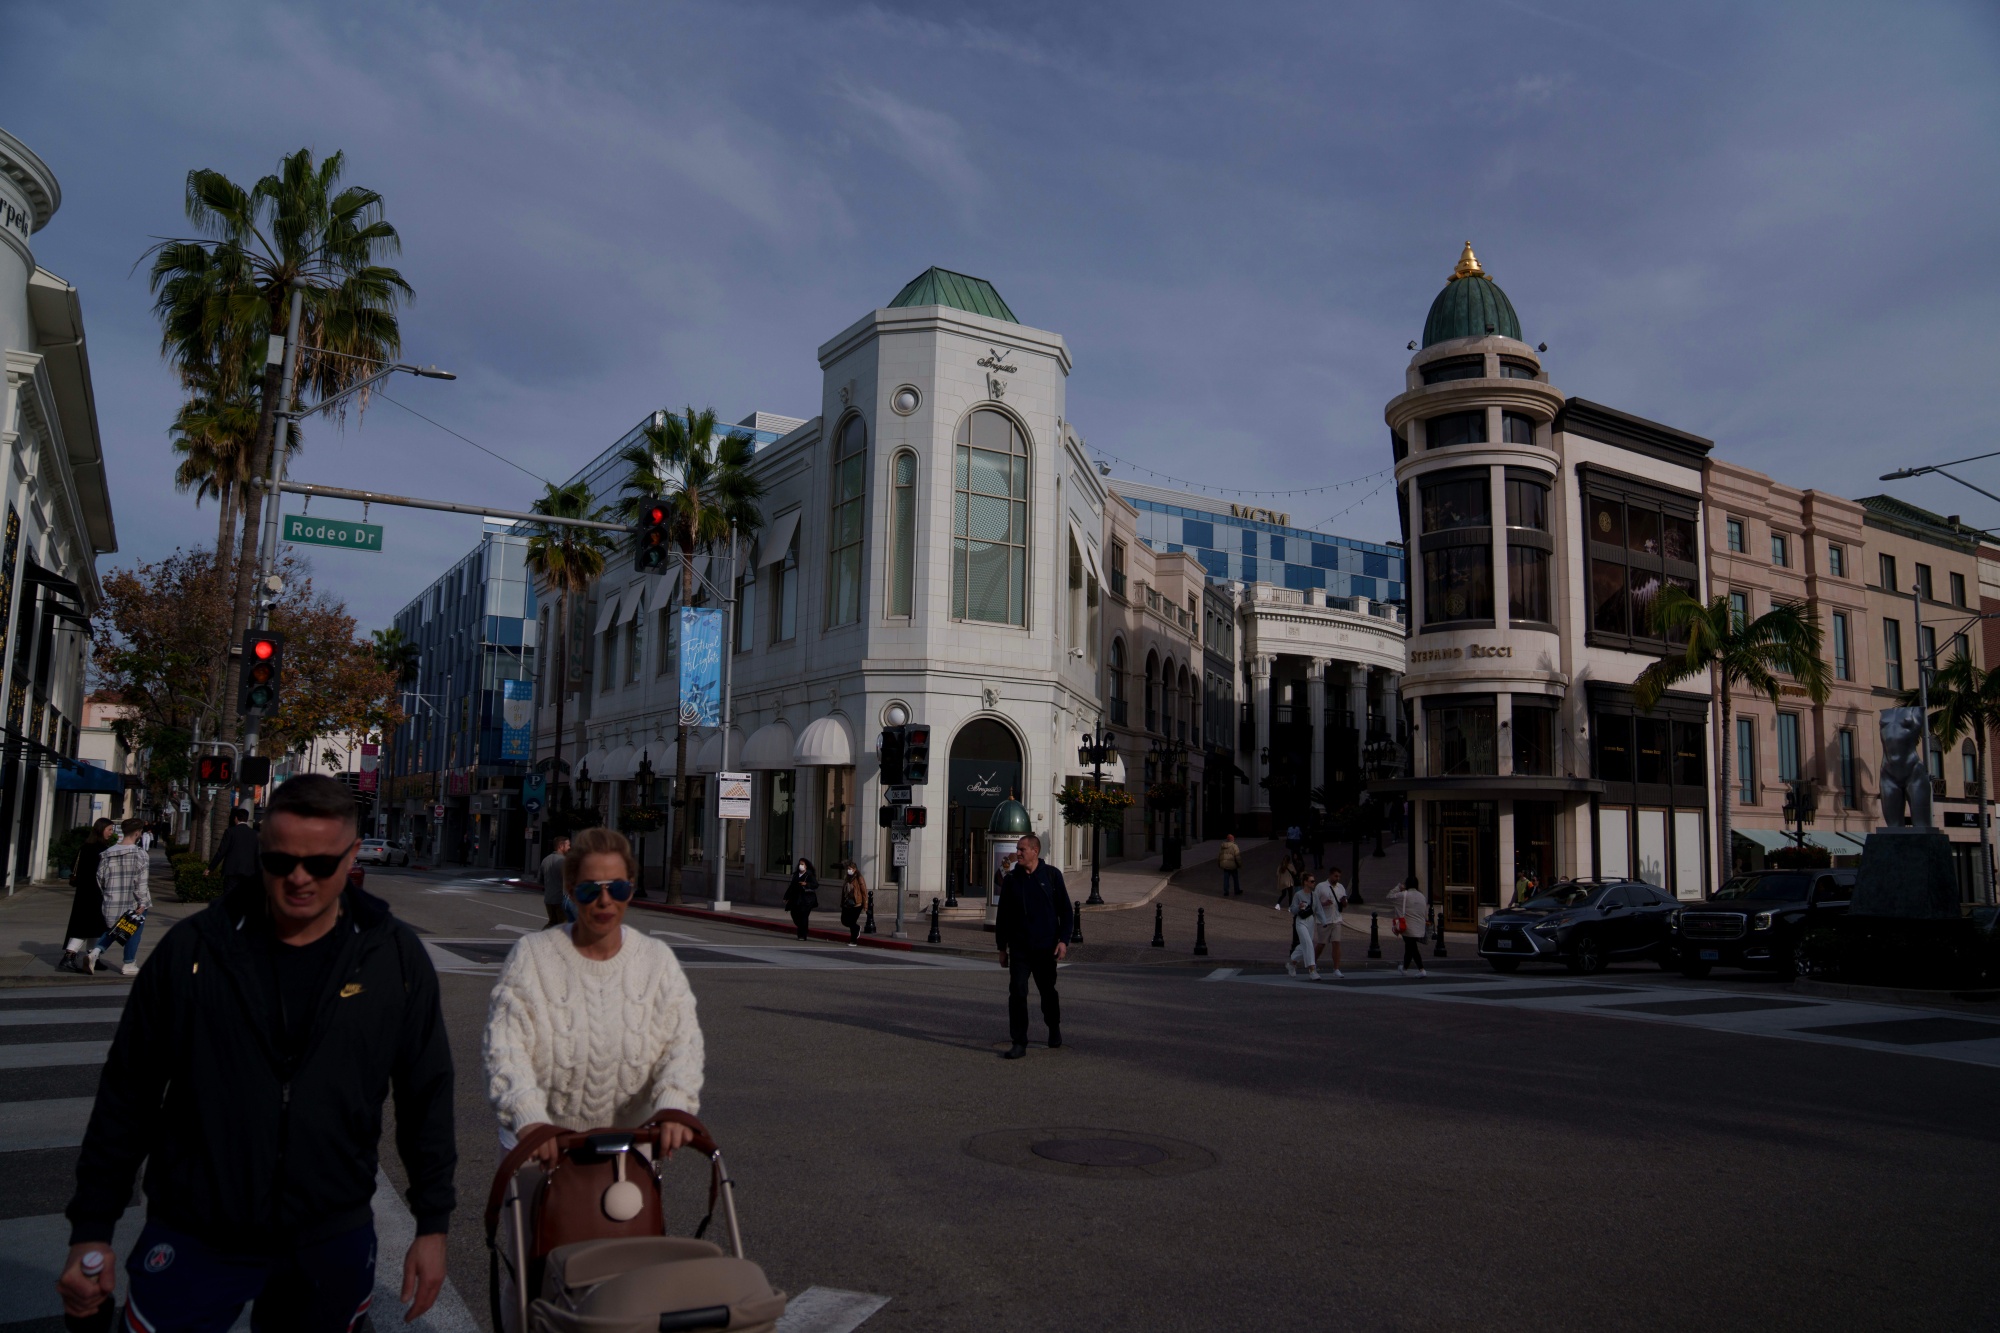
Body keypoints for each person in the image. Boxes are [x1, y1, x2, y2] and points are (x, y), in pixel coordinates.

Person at [58, 774, 455, 1332]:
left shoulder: (393, 957)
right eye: (280, 861)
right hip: (195, 1227)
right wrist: (91, 1229)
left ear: (350, 859)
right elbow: (129, 1092)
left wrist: (432, 1224)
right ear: (262, 853)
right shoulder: (195, 949)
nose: (298, 878)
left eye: (319, 864)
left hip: (329, 1232)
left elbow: (426, 1095)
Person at [485, 826, 702, 1159]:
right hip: (541, 1146)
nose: (605, 901)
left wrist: (674, 1104)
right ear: (571, 892)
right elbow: (505, 1047)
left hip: (629, 1145)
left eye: (617, 888)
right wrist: (529, 1117)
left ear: (630, 890)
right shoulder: (532, 956)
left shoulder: (657, 960)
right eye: (589, 890)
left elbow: (682, 1045)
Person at [994, 833, 1072, 1059]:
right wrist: (1002, 948)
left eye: (1022, 849)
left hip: (1046, 948)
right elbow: (1003, 917)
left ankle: (1053, 1026)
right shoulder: (1011, 880)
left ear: (1035, 852)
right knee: (1017, 992)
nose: (1017, 853)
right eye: (1018, 849)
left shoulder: (1051, 876)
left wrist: (1063, 941)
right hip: (1020, 949)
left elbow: (1066, 912)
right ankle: (1019, 1041)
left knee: (1047, 992)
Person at [86, 819, 152, 976]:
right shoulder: (140, 854)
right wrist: (142, 902)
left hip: (112, 899)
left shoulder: (107, 853)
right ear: (137, 833)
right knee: (133, 931)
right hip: (133, 900)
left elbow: (100, 878)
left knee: (114, 929)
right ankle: (129, 963)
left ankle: (94, 952)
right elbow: (141, 881)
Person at [60, 819, 116, 974]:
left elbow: (74, 866)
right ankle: (69, 957)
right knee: (85, 927)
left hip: (84, 892)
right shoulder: (100, 849)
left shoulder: (85, 847)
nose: (111, 833)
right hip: (94, 892)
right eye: (109, 829)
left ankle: (92, 957)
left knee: (94, 927)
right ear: (101, 829)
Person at [209, 807, 260, 903]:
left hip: (231, 870)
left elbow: (221, 851)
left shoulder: (230, 832)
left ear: (236, 818)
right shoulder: (255, 834)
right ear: (246, 818)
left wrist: (211, 868)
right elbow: (258, 855)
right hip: (248, 871)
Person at [1387, 878, 1430, 977]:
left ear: (1407, 885)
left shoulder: (1404, 895)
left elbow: (1389, 896)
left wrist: (1398, 887)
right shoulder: (1422, 896)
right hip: (1419, 927)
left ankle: (1421, 969)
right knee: (1409, 947)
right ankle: (1404, 968)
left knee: (1412, 947)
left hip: (1407, 926)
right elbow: (1425, 913)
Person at [1316, 866, 1349, 978]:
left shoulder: (1341, 887)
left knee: (1336, 942)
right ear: (1330, 875)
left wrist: (1344, 902)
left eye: (1339, 876)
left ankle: (1336, 968)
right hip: (1324, 919)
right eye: (1335, 876)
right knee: (1321, 944)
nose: (1337, 878)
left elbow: (1345, 902)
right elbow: (1314, 903)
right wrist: (1324, 903)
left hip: (1336, 919)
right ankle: (1313, 963)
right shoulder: (1321, 886)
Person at [1286, 872, 1320, 979]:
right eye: (1311, 881)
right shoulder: (1298, 894)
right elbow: (1292, 909)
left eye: (1314, 881)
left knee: (1304, 945)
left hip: (1310, 921)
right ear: (1305, 882)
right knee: (1309, 943)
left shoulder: (1314, 895)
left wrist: (1324, 921)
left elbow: (1319, 909)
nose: (1313, 883)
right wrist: (1299, 907)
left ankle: (1292, 964)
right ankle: (1312, 969)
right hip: (1301, 921)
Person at [540, 832, 573, 928]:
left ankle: (543, 939)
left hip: (548, 899)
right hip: (561, 900)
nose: (569, 847)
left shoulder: (545, 860)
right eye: (568, 845)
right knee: (564, 925)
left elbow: (540, 880)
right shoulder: (564, 862)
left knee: (552, 923)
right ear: (561, 846)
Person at [784, 858, 819, 940]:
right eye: (800, 864)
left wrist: (806, 884)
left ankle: (802, 935)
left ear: (806, 866)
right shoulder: (796, 875)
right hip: (796, 899)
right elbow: (791, 887)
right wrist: (786, 897)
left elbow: (815, 885)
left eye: (803, 864)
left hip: (807, 900)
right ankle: (802, 928)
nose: (801, 866)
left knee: (804, 916)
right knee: (794, 914)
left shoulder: (809, 875)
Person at [839, 861, 867, 946]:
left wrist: (865, 904)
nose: (848, 870)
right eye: (847, 869)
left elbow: (864, 891)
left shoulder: (859, 878)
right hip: (847, 903)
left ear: (854, 869)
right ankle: (857, 928)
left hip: (857, 903)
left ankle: (853, 940)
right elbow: (844, 891)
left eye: (850, 869)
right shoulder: (847, 878)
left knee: (852, 922)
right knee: (844, 920)